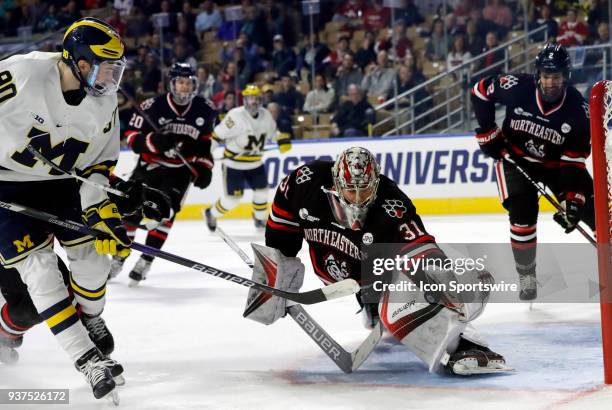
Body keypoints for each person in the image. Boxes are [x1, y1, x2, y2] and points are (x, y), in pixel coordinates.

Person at [258, 147, 509, 375]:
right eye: (350, 190)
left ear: (376, 184)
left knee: (410, 297)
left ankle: (465, 342)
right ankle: (371, 304)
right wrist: (276, 273)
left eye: (365, 189)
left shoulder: (392, 206)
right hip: (347, 273)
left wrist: (442, 288)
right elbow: (281, 228)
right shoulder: (305, 183)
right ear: (335, 182)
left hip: (383, 273)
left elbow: (422, 252)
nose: (357, 198)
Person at [0, 17, 128, 400]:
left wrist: (100, 207)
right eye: (106, 66)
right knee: (39, 273)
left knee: (95, 258)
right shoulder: (20, 74)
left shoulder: (104, 101)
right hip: (6, 184)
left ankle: (91, 318)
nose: (112, 76)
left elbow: (98, 165)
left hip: (61, 183)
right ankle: (88, 359)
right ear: (81, 62)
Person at [470, 43, 594, 301]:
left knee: (594, 211)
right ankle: (526, 274)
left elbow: (573, 164)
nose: (550, 82)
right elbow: (480, 91)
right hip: (515, 158)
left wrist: (573, 200)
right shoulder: (517, 86)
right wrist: (486, 131)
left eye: (556, 77)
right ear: (538, 74)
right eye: (546, 76)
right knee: (522, 213)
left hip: (556, 165)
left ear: (566, 77)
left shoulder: (578, 111)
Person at [0, 178, 171, 363]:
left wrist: (122, 190)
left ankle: (87, 318)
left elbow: (76, 163)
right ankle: (5, 337)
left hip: (23, 210)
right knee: (30, 308)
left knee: (62, 288)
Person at [116, 63, 218, 285]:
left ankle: (146, 260)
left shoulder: (205, 109)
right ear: (172, 84)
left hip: (180, 173)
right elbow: (131, 136)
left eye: (189, 82)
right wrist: (154, 142)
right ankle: (120, 254)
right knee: (130, 209)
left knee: (165, 215)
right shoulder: (152, 105)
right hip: (149, 166)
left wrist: (203, 167)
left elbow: (204, 145)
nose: (185, 86)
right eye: (181, 82)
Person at [204, 85, 291, 231]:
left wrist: (280, 139)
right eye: (250, 98)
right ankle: (211, 213)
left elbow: (273, 132)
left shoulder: (266, 115)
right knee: (233, 200)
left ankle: (259, 218)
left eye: (256, 98)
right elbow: (217, 136)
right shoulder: (235, 115)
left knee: (262, 193)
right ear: (244, 100)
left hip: (255, 163)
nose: (253, 102)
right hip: (234, 165)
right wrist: (207, 153)